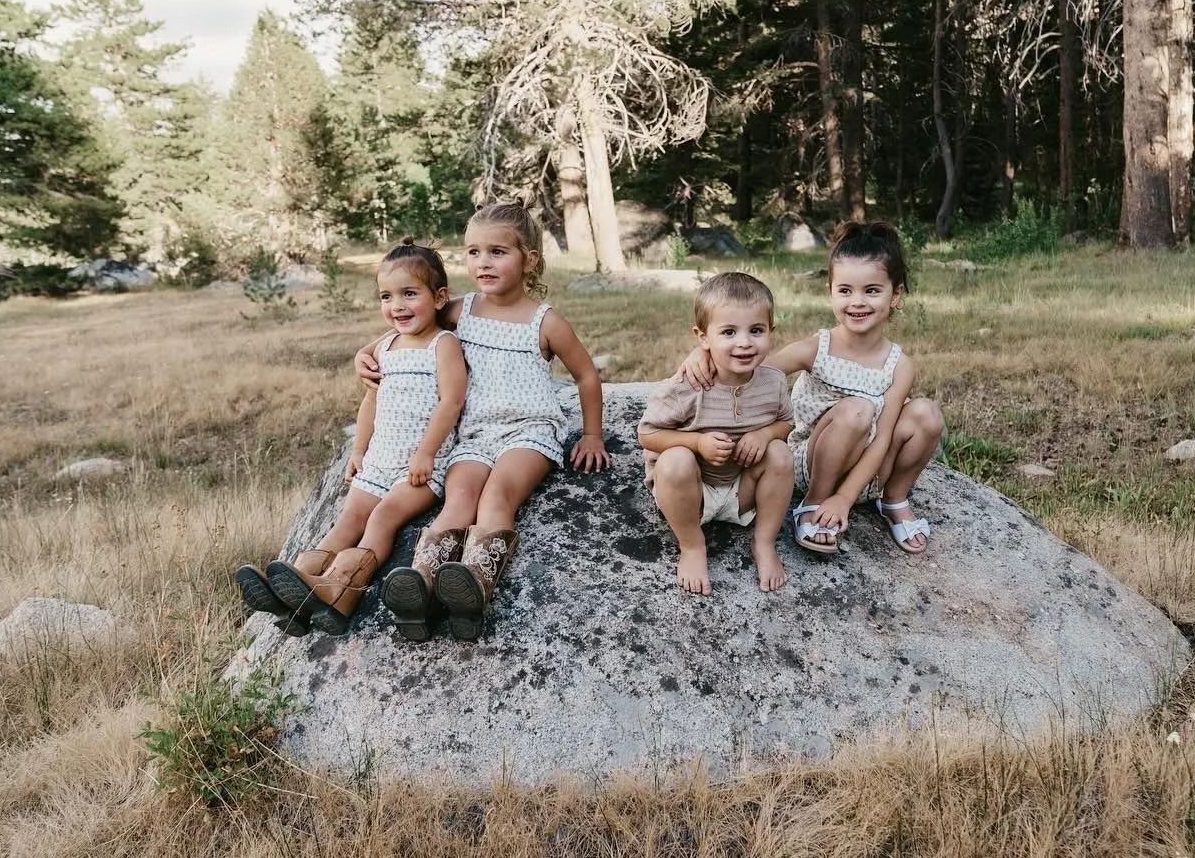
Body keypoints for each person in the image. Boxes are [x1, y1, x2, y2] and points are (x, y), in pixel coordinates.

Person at [356, 203, 610, 641]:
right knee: (459, 497)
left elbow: (586, 374)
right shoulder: (463, 309)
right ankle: (422, 586)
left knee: (497, 496)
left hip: (528, 430)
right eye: (473, 252)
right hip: (474, 434)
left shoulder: (544, 321)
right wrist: (367, 351)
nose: (483, 263)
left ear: (529, 259)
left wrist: (591, 434)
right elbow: (415, 320)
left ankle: (474, 584)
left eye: (497, 252)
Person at [235, 238, 467, 637]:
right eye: (387, 296)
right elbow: (370, 403)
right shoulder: (385, 345)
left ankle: (343, 590)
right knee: (349, 517)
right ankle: (297, 584)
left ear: (440, 297)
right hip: (381, 458)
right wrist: (359, 450)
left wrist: (426, 453)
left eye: (410, 294)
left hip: (422, 465)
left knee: (381, 517)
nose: (397, 306)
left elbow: (451, 401)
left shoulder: (442, 344)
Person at [680, 221, 945, 555]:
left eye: (872, 291)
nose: (857, 302)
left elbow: (884, 437)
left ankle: (893, 499)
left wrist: (846, 498)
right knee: (856, 410)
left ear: (897, 295)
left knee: (927, 414)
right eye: (845, 290)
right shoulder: (817, 348)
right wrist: (703, 351)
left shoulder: (899, 364)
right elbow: (751, 368)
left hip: (868, 473)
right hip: (813, 465)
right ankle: (813, 504)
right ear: (830, 291)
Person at [639, 273, 795, 596]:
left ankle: (764, 543)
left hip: (742, 489)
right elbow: (648, 433)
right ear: (702, 337)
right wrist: (696, 442)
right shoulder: (690, 385)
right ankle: (692, 546)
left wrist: (766, 435)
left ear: (771, 332)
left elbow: (786, 423)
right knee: (675, 461)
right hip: (691, 492)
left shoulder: (774, 382)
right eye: (728, 332)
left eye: (756, 330)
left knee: (780, 453)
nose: (744, 342)